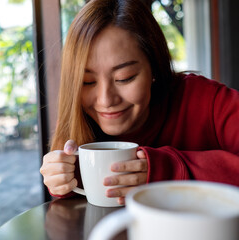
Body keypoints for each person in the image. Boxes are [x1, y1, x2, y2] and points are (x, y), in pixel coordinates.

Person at [40, 0, 239, 205]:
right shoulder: (79, 118)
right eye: (87, 82)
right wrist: (61, 177)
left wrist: (169, 170)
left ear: (154, 67)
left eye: (124, 78)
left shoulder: (205, 99)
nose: (106, 100)